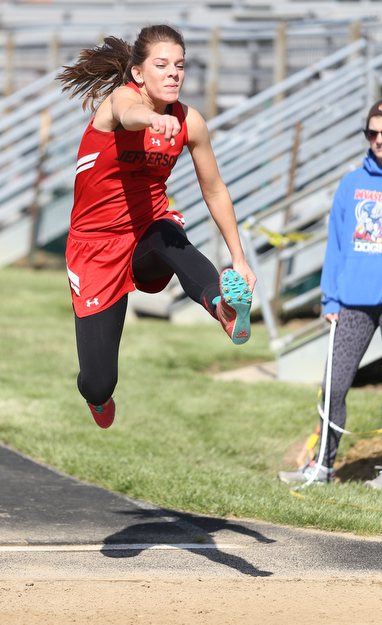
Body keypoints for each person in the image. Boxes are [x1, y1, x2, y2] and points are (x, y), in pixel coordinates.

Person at [57, 24, 256, 429]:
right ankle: (98, 398)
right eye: (161, 65)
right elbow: (128, 114)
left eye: (179, 66)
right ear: (138, 73)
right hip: (94, 248)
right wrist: (150, 118)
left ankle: (222, 305)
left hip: (147, 232)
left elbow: (215, 190)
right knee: (98, 382)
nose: (173, 74)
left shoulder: (189, 122)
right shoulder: (119, 103)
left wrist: (240, 258)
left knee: (169, 234)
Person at [278, 99, 382, 489]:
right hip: (353, 302)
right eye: (372, 133)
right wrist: (330, 299)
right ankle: (323, 465)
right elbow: (337, 245)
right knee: (335, 385)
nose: (378, 140)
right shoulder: (351, 183)